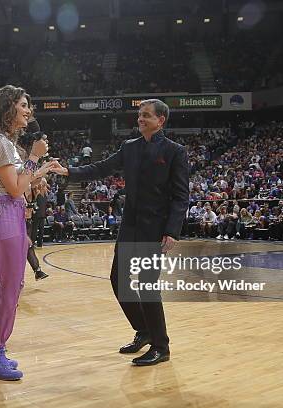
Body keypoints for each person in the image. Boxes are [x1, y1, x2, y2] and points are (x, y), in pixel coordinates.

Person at [51, 99, 189, 366]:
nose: (140, 119)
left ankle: (161, 346)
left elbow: (181, 195)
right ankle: (145, 330)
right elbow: (101, 167)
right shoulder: (130, 147)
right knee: (119, 280)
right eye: (139, 115)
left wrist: (172, 230)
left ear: (160, 120)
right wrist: (69, 170)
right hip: (130, 225)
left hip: (155, 229)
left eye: (146, 115)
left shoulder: (175, 151)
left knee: (148, 286)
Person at [0, 85, 54, 380]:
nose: (29, 111)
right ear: (8, 109)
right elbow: (16, 189)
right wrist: (34, 158)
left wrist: (40, 169)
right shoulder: (2, 144)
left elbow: (15, 183)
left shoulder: (2, 142)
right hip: (4, 212)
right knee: (8, 284)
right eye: (24, 105)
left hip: (4, 212)